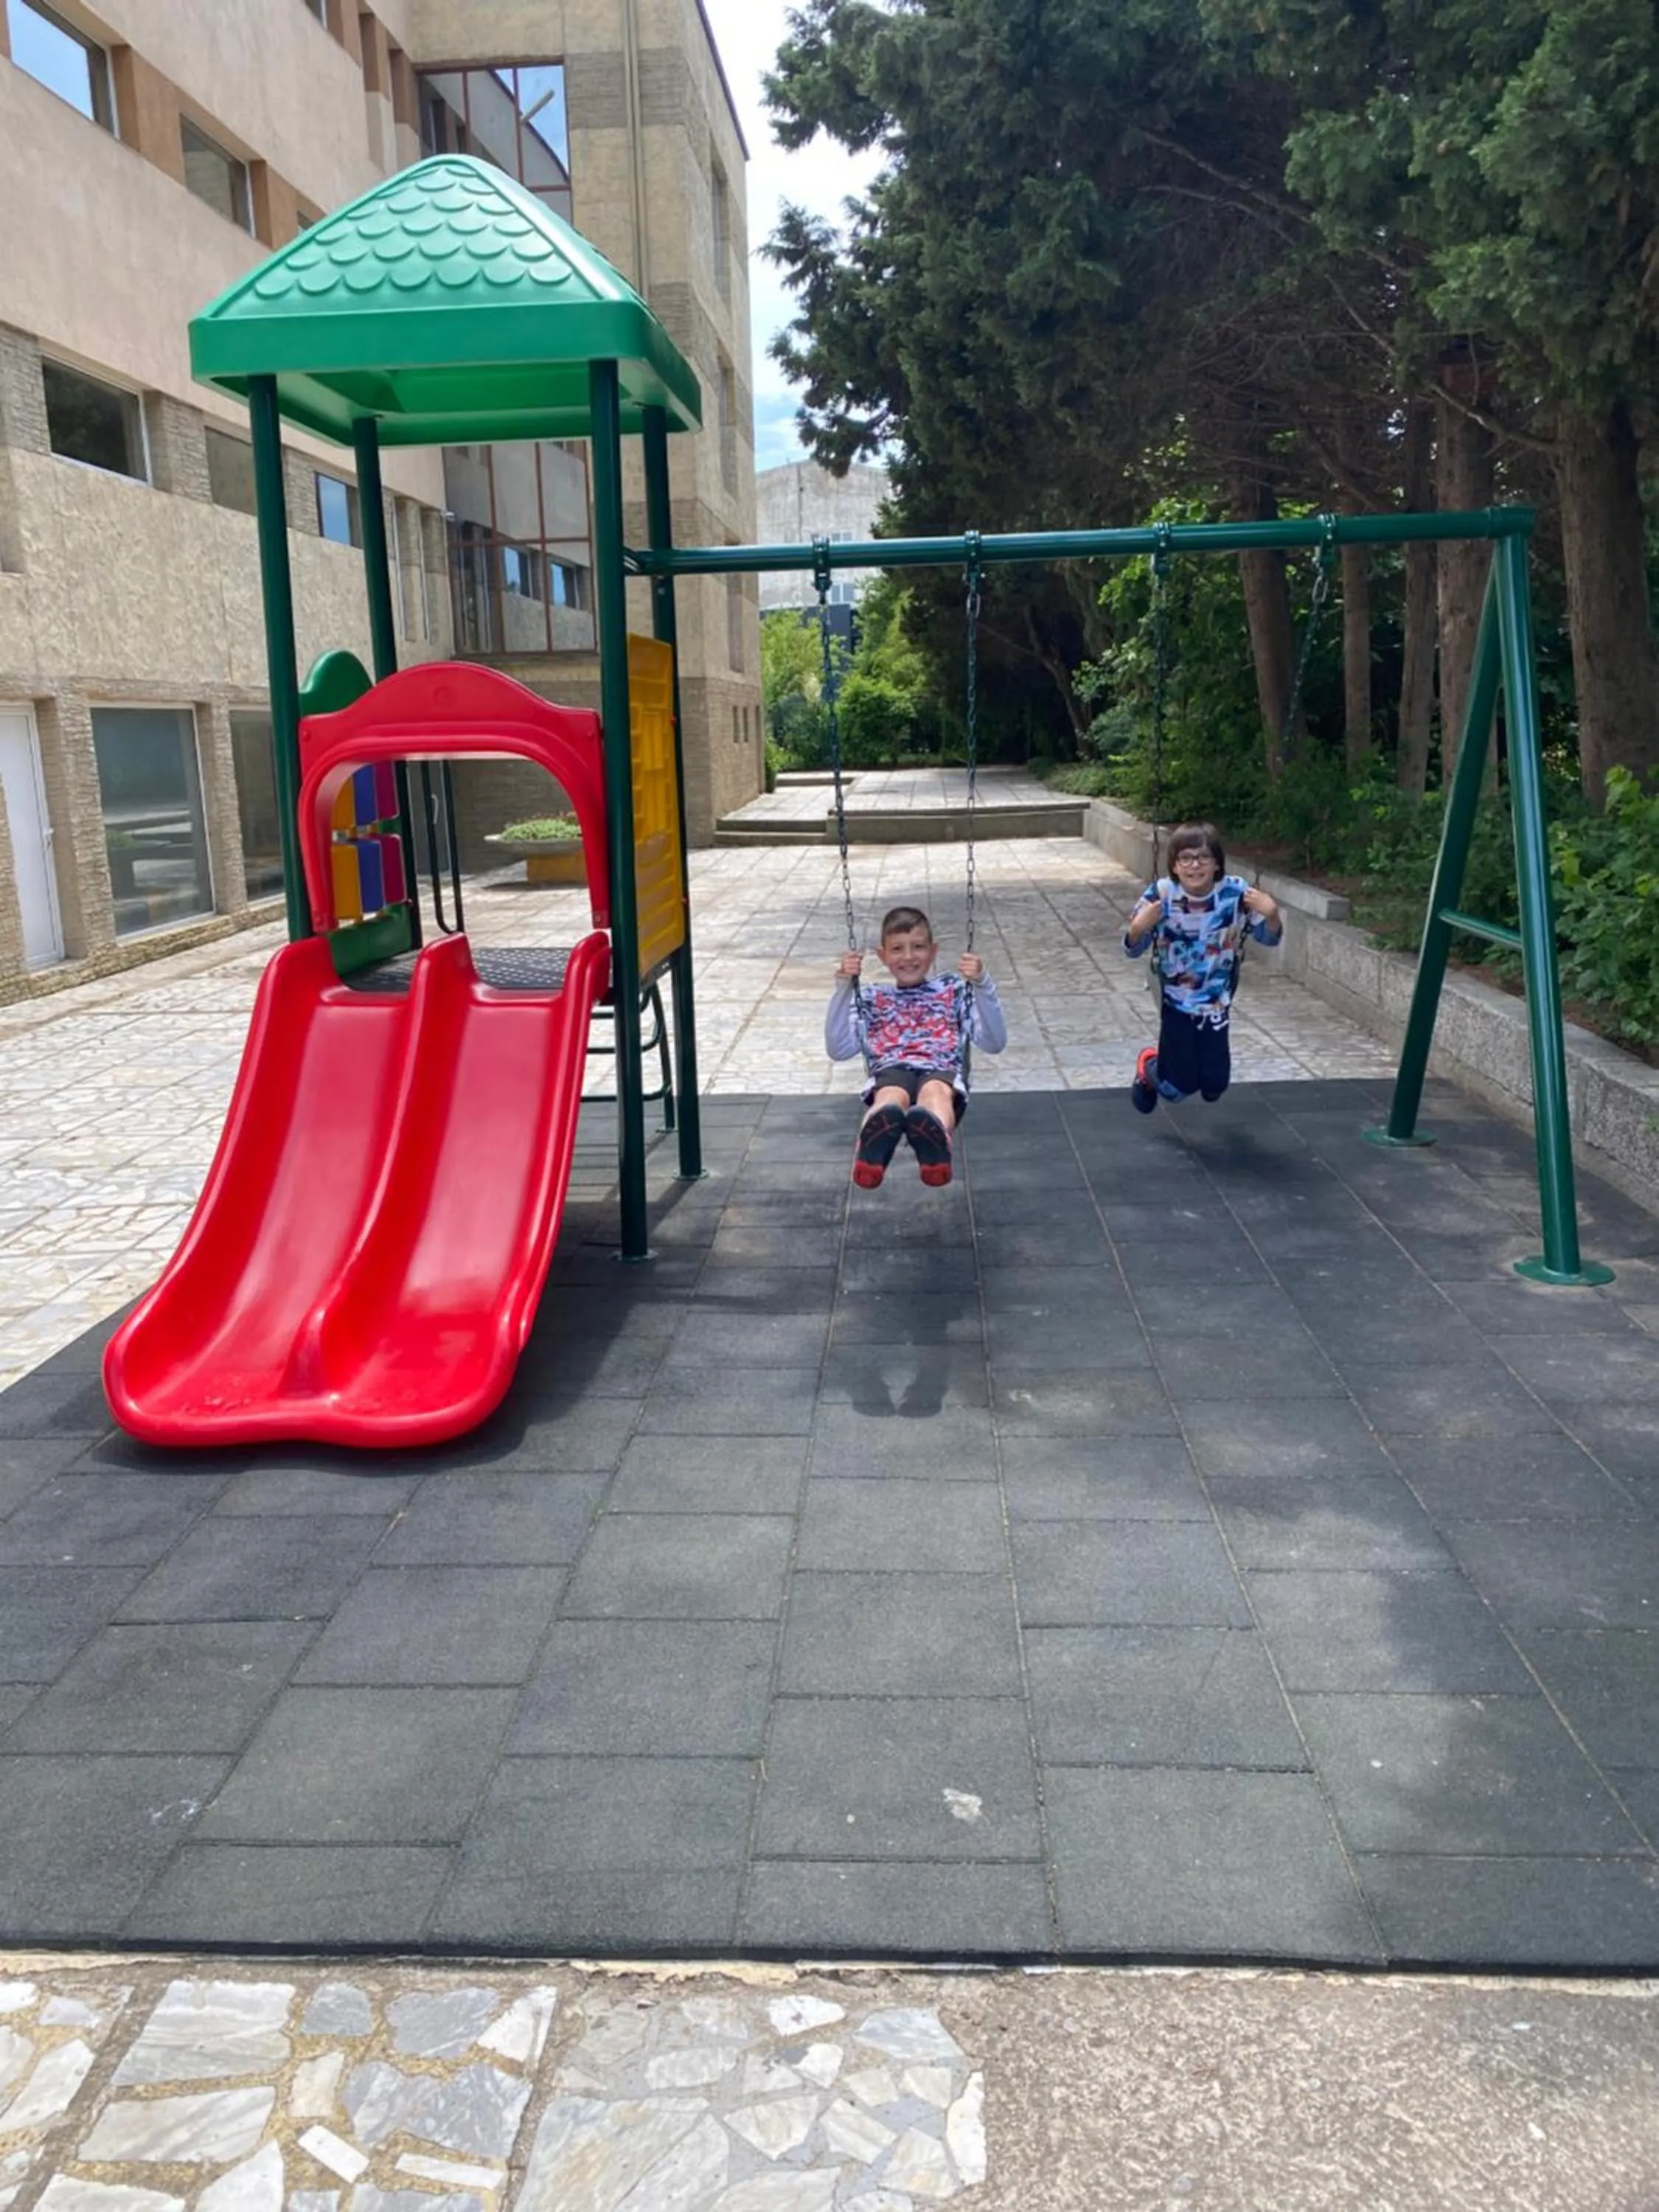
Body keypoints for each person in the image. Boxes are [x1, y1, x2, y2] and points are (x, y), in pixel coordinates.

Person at [826, 904, 1008, 1188]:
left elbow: (994, 1042)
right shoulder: (873, 997)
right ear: (882, 956)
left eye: (918, 947)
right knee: (889, 1096)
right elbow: (838, 1049)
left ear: (933, 951)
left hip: (940, 1067)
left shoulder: (953, 990)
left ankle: (933, 1145)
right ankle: (871, 1153)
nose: (909, 957)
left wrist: (982, 984)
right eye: (897, 949)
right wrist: (843, 987)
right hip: (891, 1067)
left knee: (935, 1092)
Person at [1123, 822, 1282, 1113]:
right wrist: (1137, 928)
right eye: (1186, 858)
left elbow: (1268, 938)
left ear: (1217, 863)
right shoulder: (1162, 894)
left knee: (1213, 1088)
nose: (1195, 866)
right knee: (1175, 1089)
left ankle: (1177, 1073)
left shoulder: (1235, 893)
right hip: (1176, 1002)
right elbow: (1131, 948)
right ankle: (1149, 1065)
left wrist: (1271, 913)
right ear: (1174, 865)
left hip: (1216, 1003)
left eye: (1203, 858)